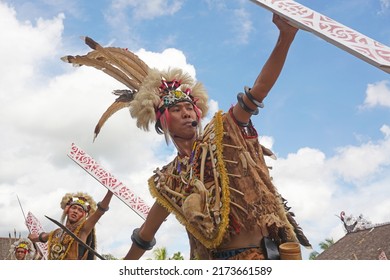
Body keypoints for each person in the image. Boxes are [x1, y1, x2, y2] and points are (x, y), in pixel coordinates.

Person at [62, 13, 311, 260]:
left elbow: (258, 91)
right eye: (175, 109)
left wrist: (285, 37)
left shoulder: (224, 136)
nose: (185, 112)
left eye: (189, 107)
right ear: (162, 121)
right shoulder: (169, 180)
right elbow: (145, 236)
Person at [28, 190, 113, 260]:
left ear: (84, 215)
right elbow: (40, 237)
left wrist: (110, 192)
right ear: (68, 210)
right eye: (74, 208)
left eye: (80, 210)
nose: (76, 211)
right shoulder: (56, 233)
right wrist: (33, 237)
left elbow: (99, 212)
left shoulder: (83, 230)